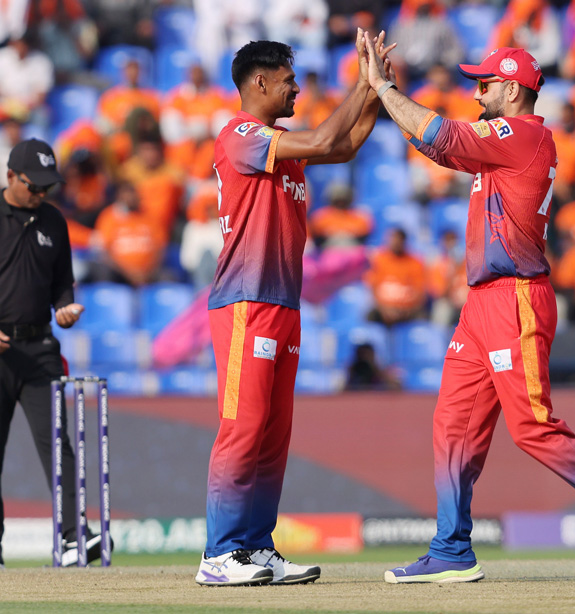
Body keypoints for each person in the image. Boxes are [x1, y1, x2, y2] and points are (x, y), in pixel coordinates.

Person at [361, 38, 575, 584]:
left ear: (511, 88)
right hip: (482, 302)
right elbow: (437, 146)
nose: (477, 91)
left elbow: (443, 134)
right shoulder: (502, 140)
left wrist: (383, 86)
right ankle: (452, 549)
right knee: (452, 426)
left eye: (484, 83)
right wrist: (391, 97)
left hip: (516, 298)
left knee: (532, 426)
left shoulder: (522, 133)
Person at [196, 32, 391, 587]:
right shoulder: (239, 135)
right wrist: (362, 83)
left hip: (282, 301)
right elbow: (330, 132)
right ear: (258, 82)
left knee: (273, 435)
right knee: (243, 428)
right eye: (288, 81)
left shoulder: (278, 141)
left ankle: (256, 548)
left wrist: (377, 91)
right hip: (245, 302)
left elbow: (343, 146)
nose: (296, 90)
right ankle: (220, 554)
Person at [0, 138, 97, 571]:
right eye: (34, 185)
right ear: (10, 176)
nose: (41, 194)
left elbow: (61, 282)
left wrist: (64, 307)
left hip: (39, 346)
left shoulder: (53, 221)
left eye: (48, 187)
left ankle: (72, 538)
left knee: (57, 444)